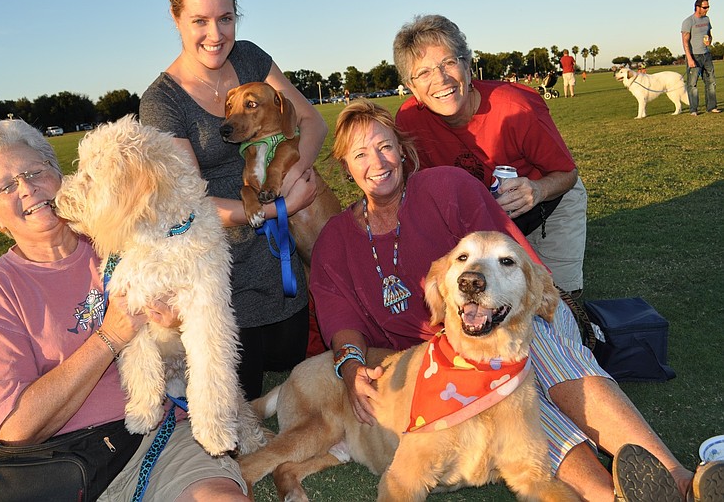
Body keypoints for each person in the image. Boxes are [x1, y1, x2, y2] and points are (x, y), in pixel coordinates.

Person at [309, 100, 722, 502]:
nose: (377, 162)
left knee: (522, 354)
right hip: (446, 354)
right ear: (345, 165)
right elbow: (338, 313)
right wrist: (349, 365)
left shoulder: (446, 187)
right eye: (361, 153)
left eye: (384, 147)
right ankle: (607, 496)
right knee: (510, 399)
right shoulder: (336, 240)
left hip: (518, 317)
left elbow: (515, 264)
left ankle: (678, 479)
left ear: (402, 150)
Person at [0, 119, 250, 501]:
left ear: (59, 174)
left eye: (34, 172)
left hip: (158, 440)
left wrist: (179, 322)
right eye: (6, 186)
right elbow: (15, 431)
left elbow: (205, 323)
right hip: (52, 464)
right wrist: (111, 335)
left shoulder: (135, 234)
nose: (27, 188)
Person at [138, 0, 327, 400]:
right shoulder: (162, 102)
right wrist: (275, 210)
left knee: (292, 359)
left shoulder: (249, 58)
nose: (216, 35)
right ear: (176, 19)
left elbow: (311, 121)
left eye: (225, 19)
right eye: (199, 21)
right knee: (243, 391)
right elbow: (190, 205)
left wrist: (293, 176)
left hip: (284, 264)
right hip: (223, 273)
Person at [394, 14, 587, 297]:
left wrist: (537, 189)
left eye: (448, 62)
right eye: (423, 73)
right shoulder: (410, 122)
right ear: (412, 88)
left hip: (548, 203)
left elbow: (567, 173)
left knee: (556, 300)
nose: (441, 78)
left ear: (468, 65)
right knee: (491, 301)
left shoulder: (516, 107)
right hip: (483, 220)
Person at [681, 0, 720, 115]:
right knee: (692, 84)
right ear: (697, 7)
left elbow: (709, 34)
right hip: (694, 56)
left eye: (708, 7)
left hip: (706, 55)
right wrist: (690, 58)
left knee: (711, 82)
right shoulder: (688, 21)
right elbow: (685, 41)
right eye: (705, 7)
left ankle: (712, 107)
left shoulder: (707, 19)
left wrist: (710, 41)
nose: (707, 9)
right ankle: (694, 110)